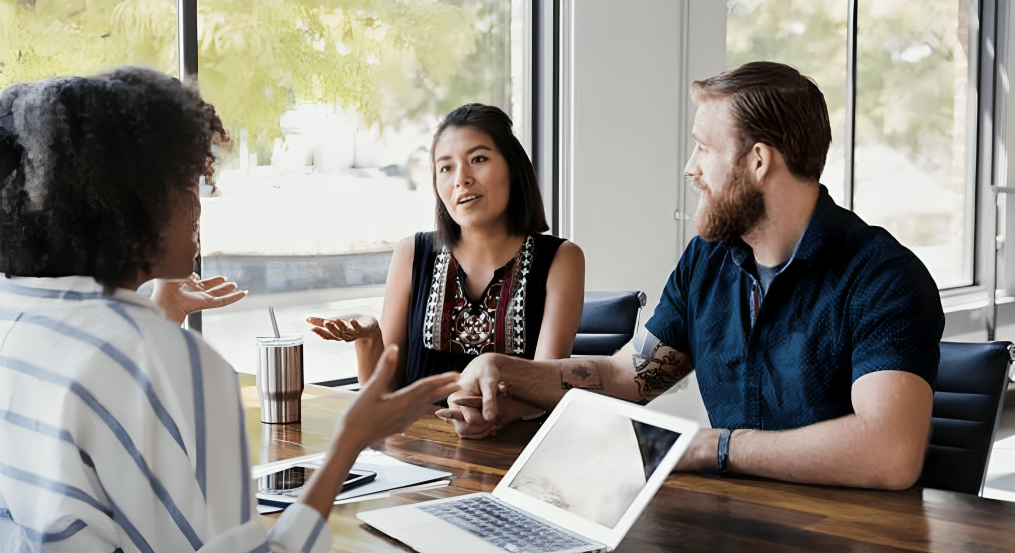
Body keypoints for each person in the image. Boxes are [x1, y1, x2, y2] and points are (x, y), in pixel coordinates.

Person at [0, 66, 460, 553]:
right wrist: (350, 441)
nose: (200, 206)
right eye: (185, 185)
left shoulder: (17, 313)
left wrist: (158, 315)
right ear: (129, 205)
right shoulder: (156, 357)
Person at [438, 62, 945, 490]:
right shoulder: (707, 260)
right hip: (731, 521)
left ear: (759, 161)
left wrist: (713, 448)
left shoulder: (883, 277)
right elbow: (627, 377)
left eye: (703, 147)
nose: (689, 168)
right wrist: (505, 372)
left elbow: (890, 453)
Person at [307, 103, 585, 438]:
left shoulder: (562, 259)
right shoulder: (411, 252)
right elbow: (383, 389)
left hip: (513, 455)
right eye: (445, 168)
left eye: (478, 159)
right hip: (412, 456)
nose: (461, 179)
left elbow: (549, 388)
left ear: (513, 167)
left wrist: (498, 414)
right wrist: (369, 336)